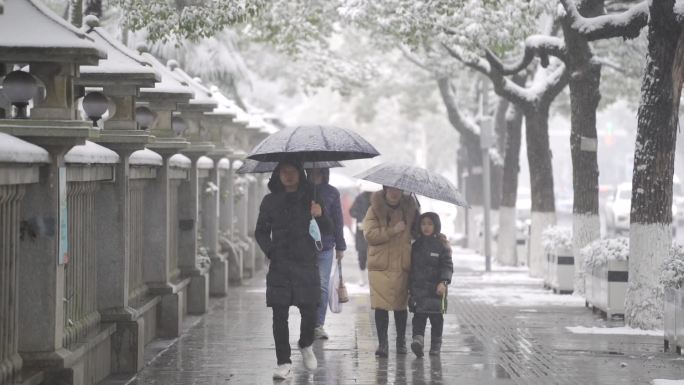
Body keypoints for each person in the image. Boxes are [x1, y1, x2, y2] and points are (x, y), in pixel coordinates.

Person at [254, 160, 332, 379]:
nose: (287, 175)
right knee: (279, 315)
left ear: (300, 174)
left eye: (292, 171)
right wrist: (271, 251)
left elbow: (328, 229)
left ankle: (306, 344)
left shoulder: (312, 198)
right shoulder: (270, 201)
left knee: (309, 310)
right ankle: (283, 361)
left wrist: (320, 214)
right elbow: (260, 232)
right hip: (280, 264)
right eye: (283, 172)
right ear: (277, 175)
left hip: (306, 263)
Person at [363, 186, 418, 357]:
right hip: (380, 264)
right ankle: (383, 344)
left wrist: (436, 236)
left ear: (403, 192)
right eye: (391, 190)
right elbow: (369, 235)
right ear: (385, 190)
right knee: (381, 306)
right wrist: (393, 230)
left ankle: (401, 342)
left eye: (398, 190)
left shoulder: (410, 209)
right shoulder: (374, 209)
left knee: (401, 306)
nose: (394, 193)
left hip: (402, 263)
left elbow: (419, 232)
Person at [306, 167, 346, 340]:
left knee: (322, 285)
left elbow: (338, 220)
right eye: (313, 171)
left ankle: (318, 325)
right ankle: (307, 323)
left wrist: (340, 245)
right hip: (304, 247)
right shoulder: (301, 191)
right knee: (307, 286)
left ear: (325, 173)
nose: (316, 174)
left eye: (320, 171)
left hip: (326, 246)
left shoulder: (332, 193)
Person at [408, 212, 453, 357]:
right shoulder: (415, 246)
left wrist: (444, 282)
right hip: (419, 291)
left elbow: (447, 266)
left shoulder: (442, 246)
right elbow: (411, 268)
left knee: (437, 320)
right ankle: (418, 342)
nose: (426, 227)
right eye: (423, 224)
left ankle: (435, 345)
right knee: (418, 320)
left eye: (430, 224)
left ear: (436, 226)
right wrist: (410, 288)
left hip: (436, 291)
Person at [350, 190, 372, 286]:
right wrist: (360, 218)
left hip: (374, 232)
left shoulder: (380, 198)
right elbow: (352, 211)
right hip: (361, 231)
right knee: (362, 256)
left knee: (373, 257)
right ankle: (363, 279)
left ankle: (371, 279)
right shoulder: (360, 198)